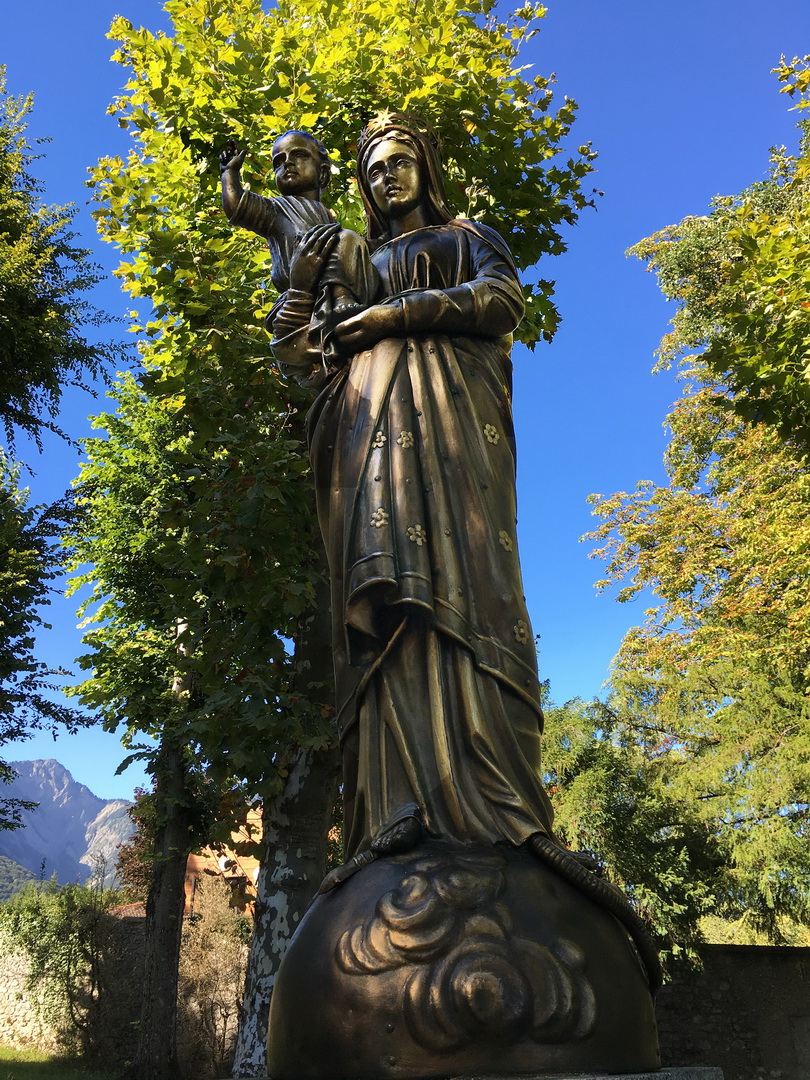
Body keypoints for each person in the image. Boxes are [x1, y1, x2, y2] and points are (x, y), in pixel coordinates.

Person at [272, 113, 555, 861]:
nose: (385, 176)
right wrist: (302, 291)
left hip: (457, 445)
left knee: (475, 589)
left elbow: (501, 303)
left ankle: (505, 808)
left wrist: (392, 317)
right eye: (371, 170)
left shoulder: (466, 235)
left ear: (425, 166)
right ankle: (393, 807)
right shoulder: (352, 256)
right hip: (371, 449)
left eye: (399, 161)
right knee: (392, 606)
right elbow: (307, 364)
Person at [220, 130, 377, 370]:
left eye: (299, 155)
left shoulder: (325, 215)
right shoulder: (274, 209)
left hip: (326, 284)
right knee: (345, 237)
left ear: (323, 171)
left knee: (349, 239)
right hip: (298, 289)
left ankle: (342, 297)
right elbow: (236, 206)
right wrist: (229, 173)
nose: (288, 163)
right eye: (279, 161)